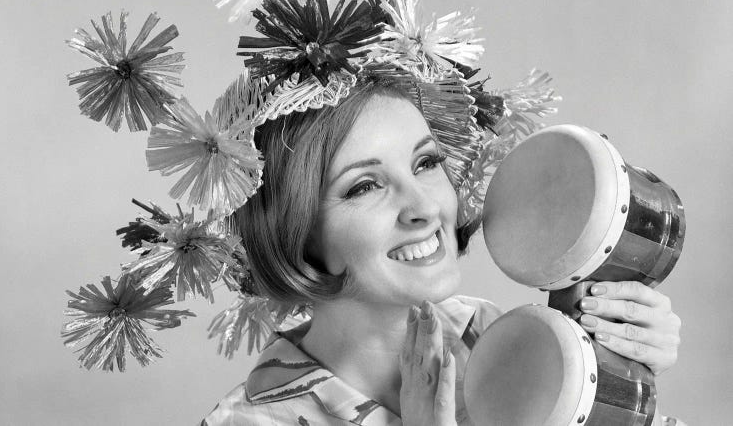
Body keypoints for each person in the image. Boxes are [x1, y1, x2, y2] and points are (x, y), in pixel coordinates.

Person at [202, 85, 682, 425]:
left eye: (426, 163)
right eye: (364, 186)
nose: (425, 207)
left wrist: (612, 377)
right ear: (296, 237)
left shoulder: (493, 336)